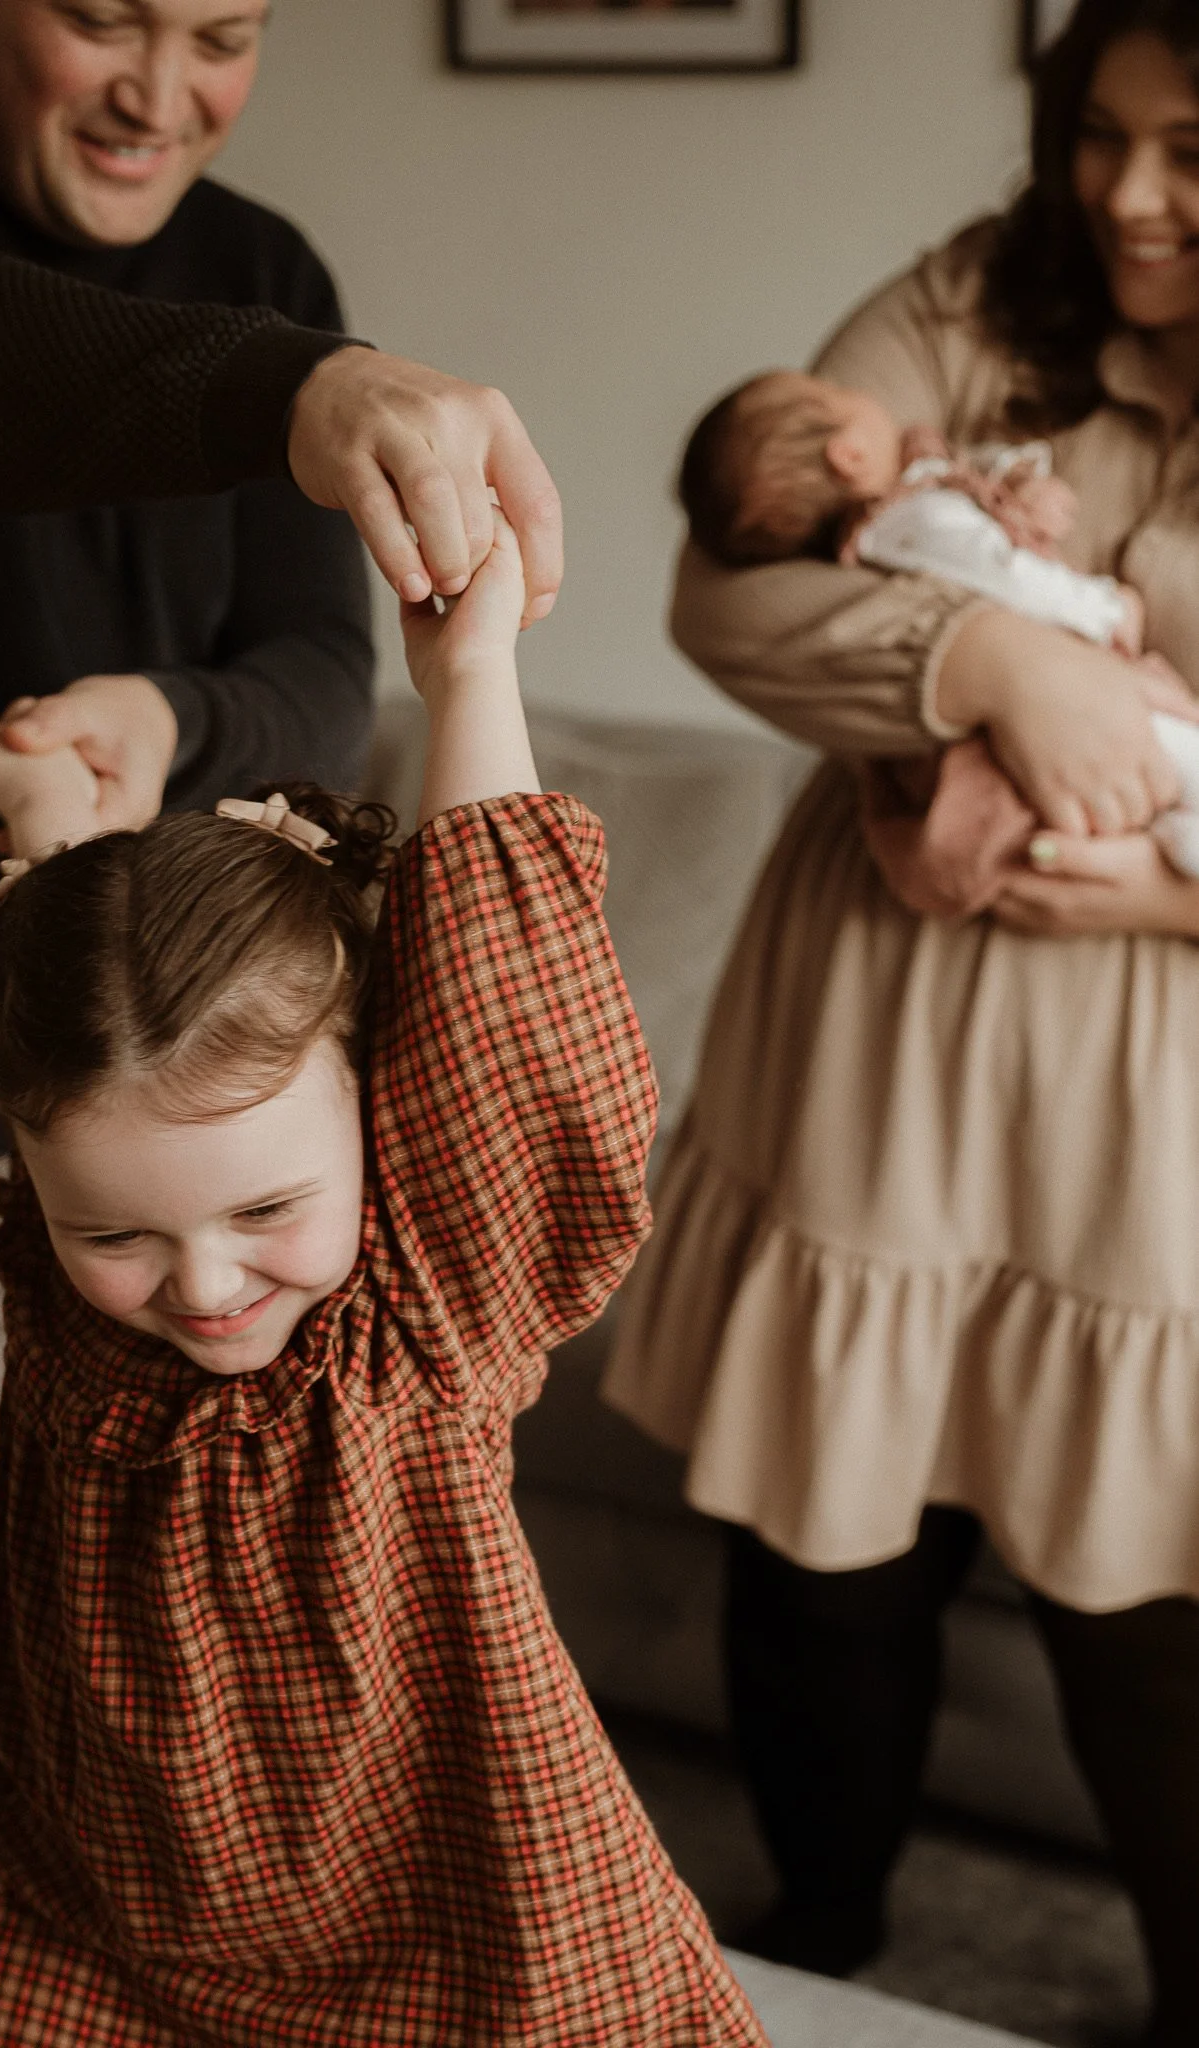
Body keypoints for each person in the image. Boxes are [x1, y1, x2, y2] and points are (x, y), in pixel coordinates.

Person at [0, 515, 763, 2048]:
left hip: (432, 1913)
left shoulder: (422, 1307)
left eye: (266, 1206)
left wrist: (468, 677)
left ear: (377, 1105)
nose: (200, 1283)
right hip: (90, 1881)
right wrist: (50, 824)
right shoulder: (68, 1219)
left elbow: (513, 1020)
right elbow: (84, 1021)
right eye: (112, 1235)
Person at [0, 0, 562, 1707]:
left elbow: (319, 673)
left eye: (221, 33)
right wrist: (283, 388)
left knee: (192, 1677)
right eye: (101, 19)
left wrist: (167, 727)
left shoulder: (263, 267)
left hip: (181, 1093)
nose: (161, 94)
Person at [604, 5, 1199, 2041]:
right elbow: (727, 587)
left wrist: (1174, 875)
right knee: (828, 1546)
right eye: (1097, 135)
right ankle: (817, 1941)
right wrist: (981, 662)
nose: (1125, 198)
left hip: (1152, 1107)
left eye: (1189, 149)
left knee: (1150, 1593)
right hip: (868, 1037)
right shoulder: (973, 292)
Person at [676, 367, 1199, 906]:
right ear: (847, 455)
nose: (862, 390)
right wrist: (1102, 608)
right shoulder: (914, 520)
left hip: (1059, 683)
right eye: (837, 391)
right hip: (1070, 666)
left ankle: (1179, 823)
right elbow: (1005, 573)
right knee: (1159, 731)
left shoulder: (905, 515)